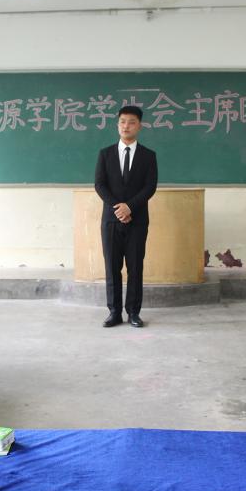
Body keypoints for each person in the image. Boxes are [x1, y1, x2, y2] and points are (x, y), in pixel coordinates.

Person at [94, 105, 158, 328]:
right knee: (112, 268)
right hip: (111, 221)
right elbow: (100, 185)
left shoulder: (148, 156)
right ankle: (114, 312)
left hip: (137, 221)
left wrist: (129, 207)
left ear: (139, 126)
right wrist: (118, 209)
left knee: (135, 268)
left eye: (131, 122)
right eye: (122, 122)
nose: (126, 126)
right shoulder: (105, 154)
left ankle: (133, 313)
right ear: (117, 125)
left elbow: (150, 187)